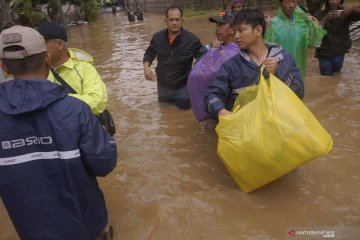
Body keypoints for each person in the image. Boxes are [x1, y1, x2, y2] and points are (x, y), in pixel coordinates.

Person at [0, 25, 117, 240]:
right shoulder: (75, 110)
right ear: (46, 58)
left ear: (4, 67)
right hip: (86, 224)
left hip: (32, 229)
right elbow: (104, 162)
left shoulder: (83, 72)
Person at [204, 9, 304, 118]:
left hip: (278, 124)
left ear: (258, 30)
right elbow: (212, 94)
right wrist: (220, 110)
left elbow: (299, 93)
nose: (236, 36)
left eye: (241, 30)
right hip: (245, 126)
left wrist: (278, 73)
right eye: (235, 31)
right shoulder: (231, 66)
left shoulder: (284, 58)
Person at [37, 21, 108, 116]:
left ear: (60, 45)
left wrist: (55, 103)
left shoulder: (84, 68)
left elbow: (97, 102)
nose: (39, 48)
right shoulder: (37, 70)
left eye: (43, 43)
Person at [143, 6, 203, 110]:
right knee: (164, 113)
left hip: (183, 88)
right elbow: (149, 53)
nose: (174, 23)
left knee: (184, 114)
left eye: (177, 19)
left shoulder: (192, 40)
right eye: (171, 20)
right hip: (162, 87)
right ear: (166, 21)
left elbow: (203, 59)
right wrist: (146, 68)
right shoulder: (157, 37)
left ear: (182, 21)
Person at [188, 11, 240, 122]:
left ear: (233, 29)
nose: (217, 28)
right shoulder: (214, 46)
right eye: (216, 25)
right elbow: (198, 68)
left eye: (221, 25)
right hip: (215, 104)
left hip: (230, 105)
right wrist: (213, 50)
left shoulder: (238, 51)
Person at [265, 0, 326, 81]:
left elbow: (313, 43)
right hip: (278, 72)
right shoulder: (272, 24)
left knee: (297, 90)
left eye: (294, 2)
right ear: (280, 3)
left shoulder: (302, 22)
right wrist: (267, 28)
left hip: (299, 71)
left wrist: (312, 24)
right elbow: (266, 49)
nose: (291, 5)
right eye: (287, 2)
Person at [314, 0, 360, 76]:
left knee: (336, 75)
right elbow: (314, 33)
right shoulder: (319, 14)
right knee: (327, 77)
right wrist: (325, 19)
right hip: (324, 53)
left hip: (340, 52)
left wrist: (353, 8)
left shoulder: (346, 13)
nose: (334, 2)